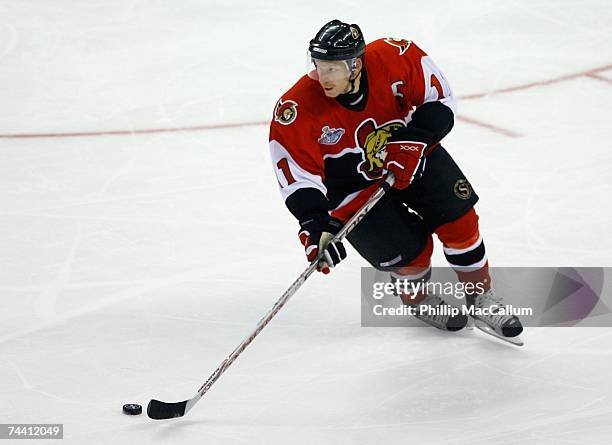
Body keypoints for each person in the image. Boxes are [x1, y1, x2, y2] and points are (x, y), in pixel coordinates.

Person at [268, 19, 523, 339]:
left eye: (332, 68)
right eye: (318, 65)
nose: (322, 76)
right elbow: (297, 175)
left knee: (461, 223)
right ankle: (416, 298)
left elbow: (440, 99)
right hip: (351, 189)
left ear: (355, 64)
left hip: (412, 157)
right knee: (411, 256)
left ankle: (481, 298)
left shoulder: (395, 56)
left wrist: (416, 138)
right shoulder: (295, 108)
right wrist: (315, 222)